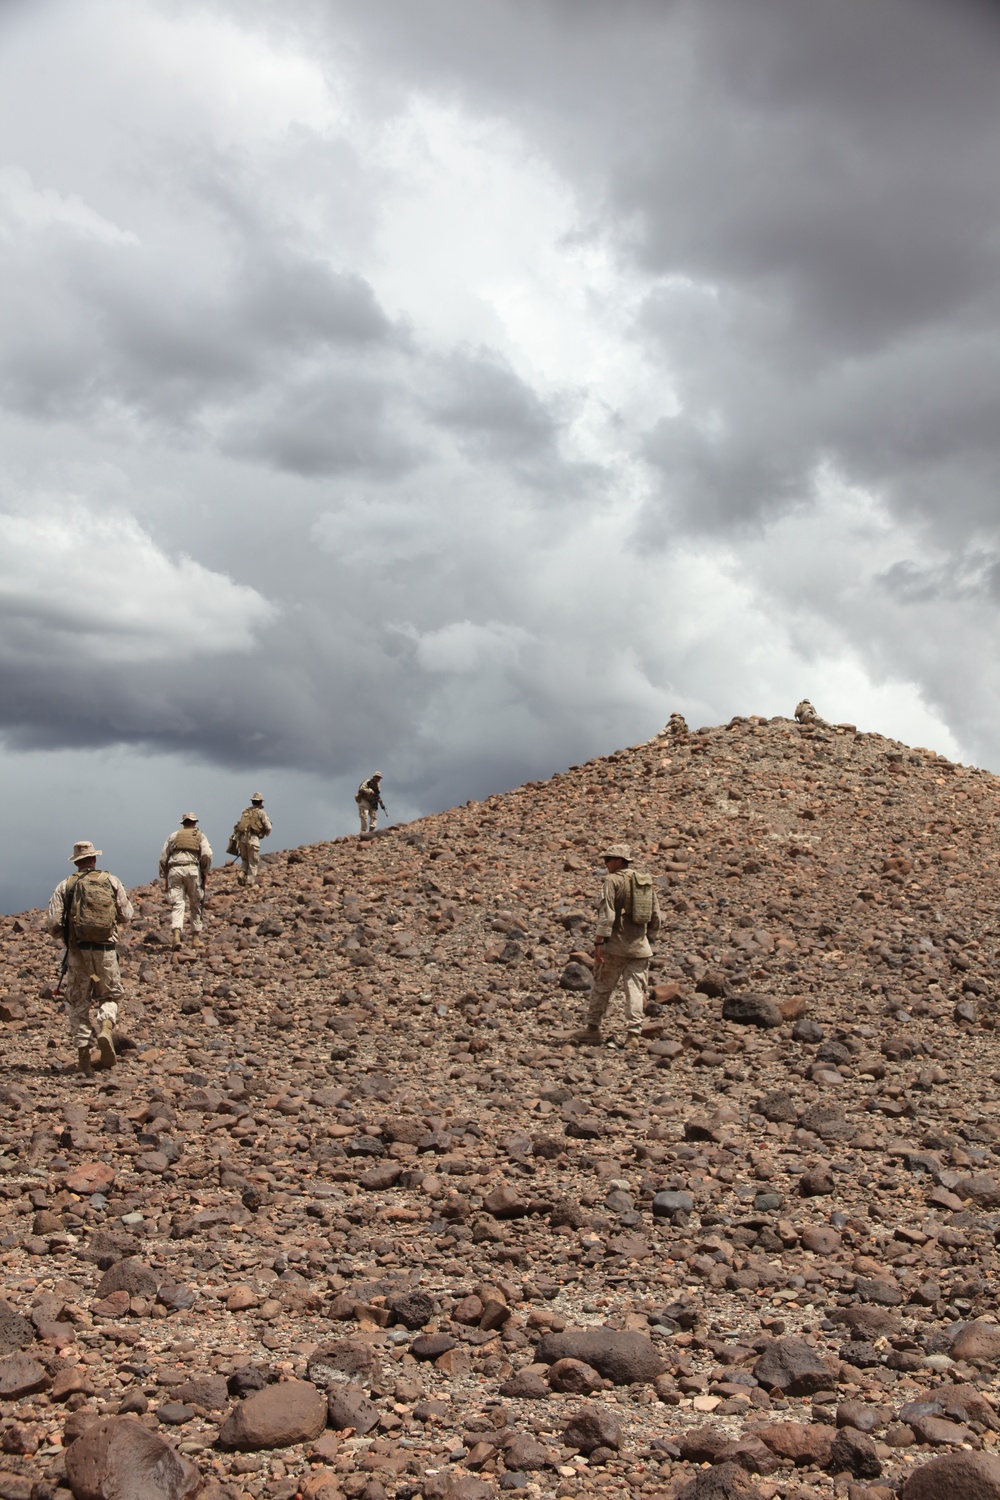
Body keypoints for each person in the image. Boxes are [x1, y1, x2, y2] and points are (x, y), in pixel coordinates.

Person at [45, 840, 133, 1077]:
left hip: (77, 954)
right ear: (94, 859)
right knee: (110, 995)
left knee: (78, 1002)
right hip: (105, 951)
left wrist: (65, 936)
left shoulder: (66, 885)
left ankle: (84, 1058)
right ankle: (105, 1027)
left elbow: (53, 922)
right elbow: (126, 914)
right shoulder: (111, 881)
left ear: (76, 861)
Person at [574, 842, 661, 1050]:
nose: (605, 864)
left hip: (614, 947)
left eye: (608, 860)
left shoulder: (611, 881)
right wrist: (651, 937)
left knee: (602, 986)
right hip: (640, 948)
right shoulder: (644, 881)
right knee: (636, 990)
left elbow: (607, 914)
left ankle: (593, 1029)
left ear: (619, 861)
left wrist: (599, 942)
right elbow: (655, 913)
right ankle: (633, 1035)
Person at [159, 813, 212, 949]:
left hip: (174, 871)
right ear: (194, 823)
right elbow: (207, 854)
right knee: (195, 903)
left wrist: (164, 876)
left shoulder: (173, 836)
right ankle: (195, 938)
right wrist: (205, 872)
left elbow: (163, 857)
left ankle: (176, 937)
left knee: (178, 904)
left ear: (183, 823)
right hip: (192, 870)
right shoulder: (200, 835)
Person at [232, 792, 271, 888]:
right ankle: (249, 884)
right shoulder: (261, 813)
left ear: (252, 801)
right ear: (260, 802)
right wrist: (265, 833)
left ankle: (241, 873)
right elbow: (268, 827)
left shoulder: (246, 811)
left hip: (242, 839)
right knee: (253, 862)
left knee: (245, 860)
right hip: (253, 839)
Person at [355, 771, 386, 836]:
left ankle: (371, 832)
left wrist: (381, 802)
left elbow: (377, 795)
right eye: (376, 777)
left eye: (379, 778)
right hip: (364, 800)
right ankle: (363, 831)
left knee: (374, 816)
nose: (378, 779)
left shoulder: (378, 786)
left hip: (372, 801)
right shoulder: (368, 781)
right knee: (364, 815)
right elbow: (361, 789)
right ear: (374, 777)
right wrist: (369, 791)